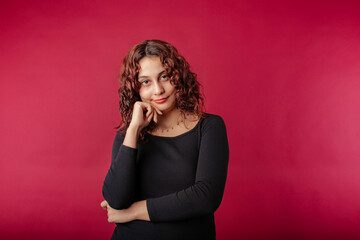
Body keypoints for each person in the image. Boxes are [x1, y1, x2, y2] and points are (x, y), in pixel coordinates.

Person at [100, 39, 229, 240]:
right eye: (145, 82)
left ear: (179, 78)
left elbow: (205, 197)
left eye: (165, 77)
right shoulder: (128, 137)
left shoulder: (209, 128)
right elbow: (115, 200)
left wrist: (133, 212)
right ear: (135, 89)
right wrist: (133, 129)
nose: (158, 90)